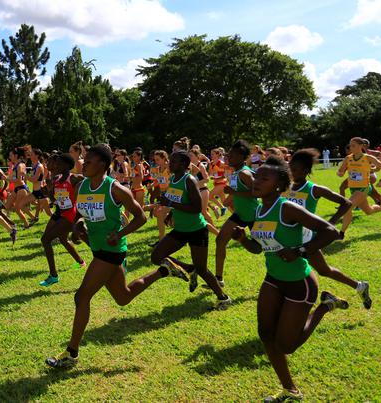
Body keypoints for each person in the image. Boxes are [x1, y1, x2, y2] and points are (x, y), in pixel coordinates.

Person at [45, 144, 188, 369]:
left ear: (102, 164)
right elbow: (81, 214)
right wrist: (79, 226)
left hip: (112, 251)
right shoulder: (81, 185)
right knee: (123, 297)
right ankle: (164, 270)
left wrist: (120, 234)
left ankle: (71, 353)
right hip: (97, 248)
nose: (84, 164)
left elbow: (140, 217)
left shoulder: (116, 189)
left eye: (89, 161)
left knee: (81, 297)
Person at [231, 156, 349, 402]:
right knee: (265, 334)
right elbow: (258, 248)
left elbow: (329, 230)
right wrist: (243, 240)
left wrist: (301, 251)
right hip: (273, 279)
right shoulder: (258, 210)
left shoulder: (287, 208)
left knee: (286, 346)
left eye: (264, 178)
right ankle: (290, 390)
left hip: (300, 284)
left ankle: (325, 306)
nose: (256, 181)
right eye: (256, 176)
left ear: (278, 184)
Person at [287, 149, 371, 308]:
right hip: (291, 237)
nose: (291, 172)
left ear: (305, 171)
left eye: (295, 169)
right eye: (290, 168)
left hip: (306, 239)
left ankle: (317, 302)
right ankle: (360, 286)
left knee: (302, 270)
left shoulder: (313, 189)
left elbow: (345, 203)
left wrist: (329, 224)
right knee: (324, 270)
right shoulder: (287, 187)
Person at [151, 151, 232, 309]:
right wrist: (170, 214)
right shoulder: (173, 179)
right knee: (156, 256)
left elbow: (196, 208)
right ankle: (188, 268)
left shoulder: (189, 180)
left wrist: (171, 204)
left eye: (173, 162)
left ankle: (223, 298)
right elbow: (176, 200)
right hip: (180, 230)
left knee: (202, 269)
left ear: (183, 164)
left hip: (196, 230)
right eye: (170, 161)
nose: (169, 164)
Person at [215, 140, 258, 286]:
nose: (228, 157)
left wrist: (234, 192)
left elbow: (256, 193)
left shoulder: (245, 173)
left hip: (254, 216)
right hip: (239, 214)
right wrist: (228, 200)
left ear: (242, 157)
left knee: (258, 249)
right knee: (220, 240)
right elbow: (237, 193)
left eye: (232, 155)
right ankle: (218, 279)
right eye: (228, 154)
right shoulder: (235, 173)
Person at [39, 153, 86, 287]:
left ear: (67, 166)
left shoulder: (75, 178)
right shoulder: (56, 179)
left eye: (58, 163)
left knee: (45, 239)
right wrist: (47, 192)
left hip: (70, 214)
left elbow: (90, 184)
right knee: (62, 239)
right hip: (60, 212)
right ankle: (81, 261)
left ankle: (53, 276)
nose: (55, 165)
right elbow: (54, 199)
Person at [337, 137, 381, 237]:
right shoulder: (348, 158)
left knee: (347, 207)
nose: (351, 147)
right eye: (350, 145)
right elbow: (341, 171)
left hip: (364, 188)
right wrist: (340, 173)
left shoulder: (368, 157)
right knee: (369, 211)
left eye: (353, 145)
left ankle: (341, 233)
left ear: (360, 146)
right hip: (353, 188)